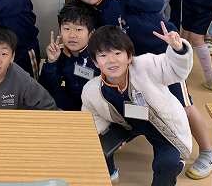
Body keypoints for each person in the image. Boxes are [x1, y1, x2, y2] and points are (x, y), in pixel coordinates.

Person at [72, 0, 212, 179]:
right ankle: (150, 133)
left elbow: (156, 0)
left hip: (164, 59)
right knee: (143, 105)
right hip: (135, 68)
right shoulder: (95, 14)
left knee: (184, 105)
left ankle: (207, 151)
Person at [82, 24, 193, 185]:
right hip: (126, 122)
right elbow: (94, 119)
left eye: (117, 53)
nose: (111, 60)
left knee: (167, 164)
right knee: (98, 145)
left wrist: (178, 50)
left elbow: (175, 70)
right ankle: (110, 173)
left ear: (129, 56)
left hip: (162, 124)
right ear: (96, 62)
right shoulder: (91, 90)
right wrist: (106, 138)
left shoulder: (145, 65)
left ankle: (173, 168)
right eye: (103, 55)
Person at [38, 2, 99, 110]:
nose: (72, 35)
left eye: (79, 29)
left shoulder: (98, 58)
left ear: (91, 33)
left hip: (89, 113)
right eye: (66, 29)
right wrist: (51, 62)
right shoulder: (56, 53)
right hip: (59, 112)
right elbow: (44, 89)